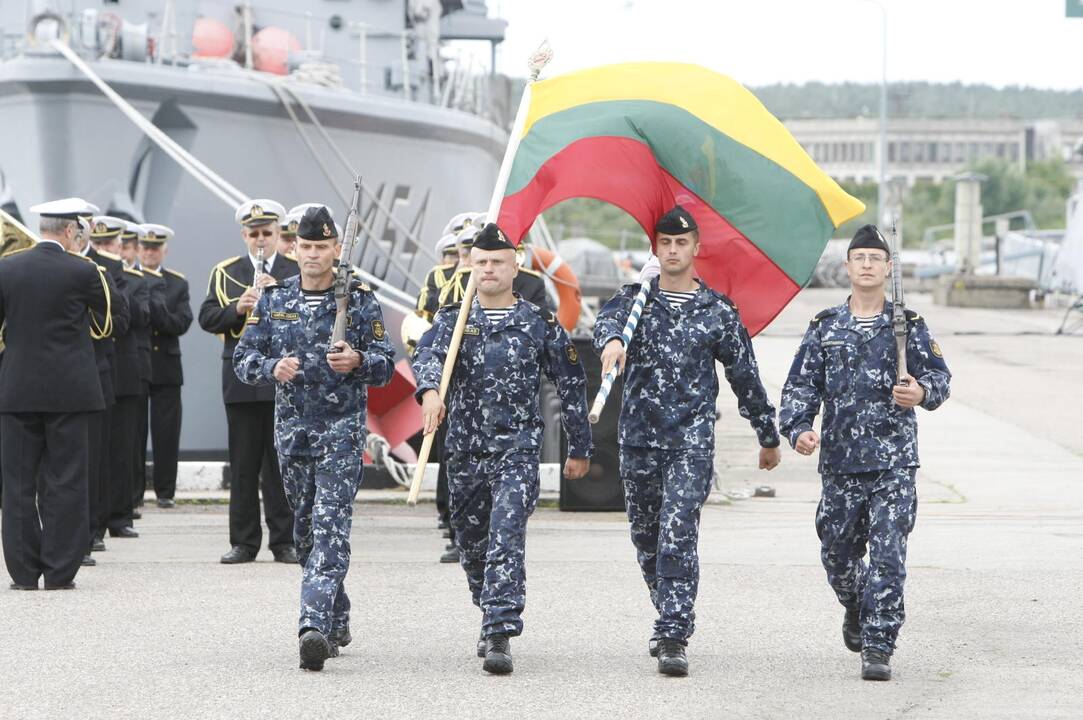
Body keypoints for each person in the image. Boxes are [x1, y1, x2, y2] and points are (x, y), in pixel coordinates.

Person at [594, 206, 781, 677]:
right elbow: (605, 326)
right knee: (646, 539)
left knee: (678, 531)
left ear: (697, 248)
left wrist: (767, 434)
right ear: (655, 249)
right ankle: (668, 609)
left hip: (689, 443)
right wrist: (613, 340)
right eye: (665, 243)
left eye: (682, 243)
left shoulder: (717, 311)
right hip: (638, 440)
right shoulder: (635, 300)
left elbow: (745, 377)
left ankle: (674, 632)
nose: (673, 250)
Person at [413, 223, 591, 675]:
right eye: (481, 262)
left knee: (506, 536)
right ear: (470, 266)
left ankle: (499, 630)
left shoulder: (537, 322)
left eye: (497, 262)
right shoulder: (454, 320)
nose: (489, 269)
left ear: (515, 266)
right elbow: (427, 357)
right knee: (472, 545)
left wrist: (580, 447)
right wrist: (430, 391)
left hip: (517, 448)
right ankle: (487, 604)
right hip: (465, 452)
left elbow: (570, 384)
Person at [779, 224, 951, 682]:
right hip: (841, 463)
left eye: (877, 257)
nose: (869, 264)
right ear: (848, 267)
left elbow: (939, 378)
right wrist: (798, 429)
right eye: (861, 258)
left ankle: (879, 645)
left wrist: (921, 391)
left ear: (889, 268)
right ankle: (858, 603)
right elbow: (800, 385)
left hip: (894, 461)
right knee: (836, 553)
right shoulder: (825, 326)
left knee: (889, 555)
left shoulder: (907, 325)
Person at [234, 205, 395, 671]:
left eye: (322, 247)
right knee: (305, 535)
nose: (312, 255)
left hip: (341, 435)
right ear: (293, 247)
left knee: (330, 528)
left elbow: (387, 365)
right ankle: (336, 616)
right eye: (305, 246)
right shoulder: (273, 299)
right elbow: (244, 358)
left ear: (336, 250)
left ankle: (313, 627)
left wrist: (359, 360)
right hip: (292, 436)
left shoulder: (360, 301)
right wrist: (271, 368)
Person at [0, 198, 110, 590]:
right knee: (67, 480)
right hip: (70, 391)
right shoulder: (85, 271)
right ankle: (61, 570)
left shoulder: (6, 267)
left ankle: (24, 573)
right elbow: (109, 321)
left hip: (16, 390)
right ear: (70, 231)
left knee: (16, 484)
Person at [199, 199, 299, 565]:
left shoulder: (294, 268)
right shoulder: (226, 272)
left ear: (278, 234)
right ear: (244, 234)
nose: (260, 240)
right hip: (240, 378)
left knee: (280, 463)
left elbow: (309, 319)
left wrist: (280, 295)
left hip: (283, 377)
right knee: (243, 465)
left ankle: (284, 541)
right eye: (254, 233)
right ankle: (243, 542)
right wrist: (238, 308)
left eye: (267, 233)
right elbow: (207, 317)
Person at [84, 216, 132, 561]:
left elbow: (122, 319)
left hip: (95, 370)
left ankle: (92, 529)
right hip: (53, 374)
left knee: (97, 455)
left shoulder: (109, 267)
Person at [138, 224, 193, 509]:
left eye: (155, 248)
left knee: (167, 432)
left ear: (164, 251)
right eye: (145, 247)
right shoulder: (129, 279)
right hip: (137, 366)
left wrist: (159, 311)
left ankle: (165, 491)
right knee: (133, 433)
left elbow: (181, 323)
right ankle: (133, 494)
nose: (149, 252)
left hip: (167, 366)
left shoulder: (177, 283)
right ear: (137, 249)